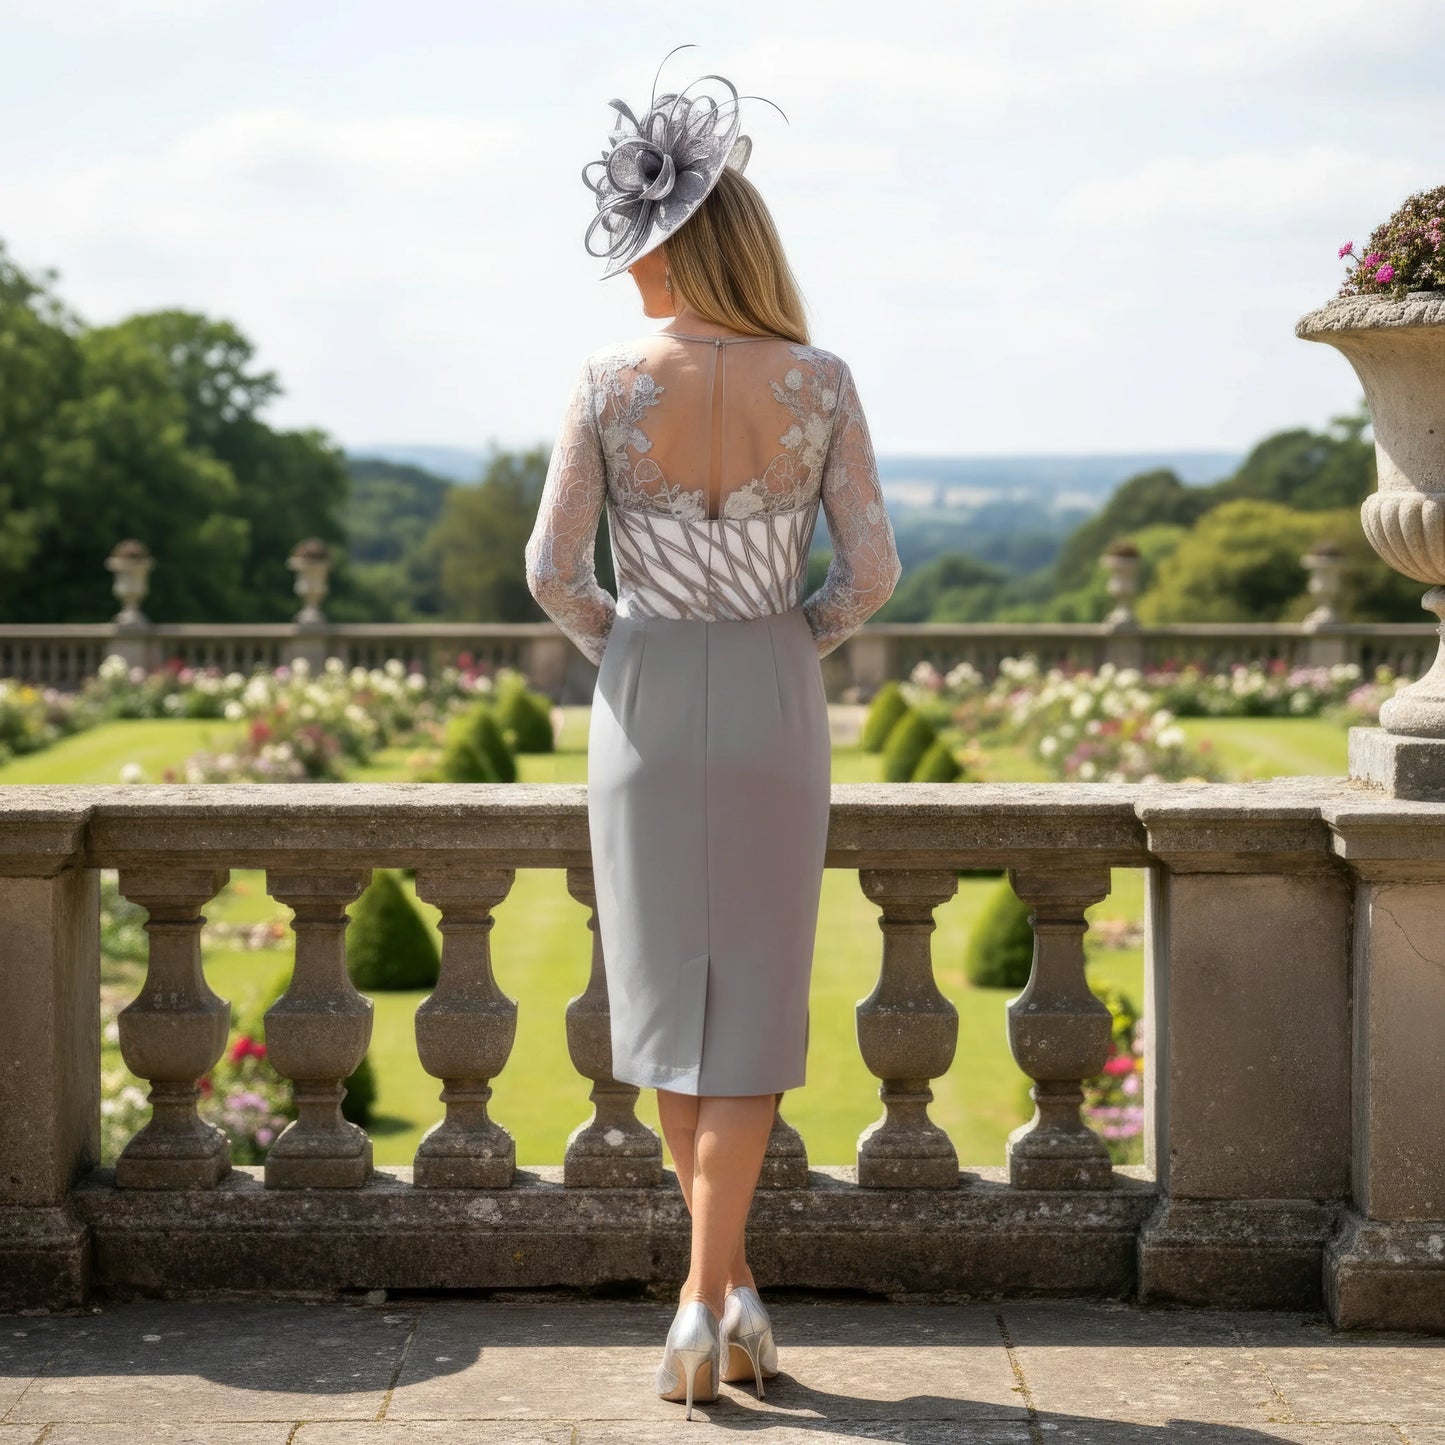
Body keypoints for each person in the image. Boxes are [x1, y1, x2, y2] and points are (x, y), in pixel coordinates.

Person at [523, 46, 902, 1420]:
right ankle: (721, 1291)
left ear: (678, 241)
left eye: (640, 242)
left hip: (641, 694)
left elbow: (553, 571)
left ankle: (696, 1297)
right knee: (739, 1005)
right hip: (768, 694)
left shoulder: (604, 381)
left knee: (672, 1006)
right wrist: (777, 645)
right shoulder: (821, 379)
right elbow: (868, 574)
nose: (626, 267)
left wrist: (635, 643)